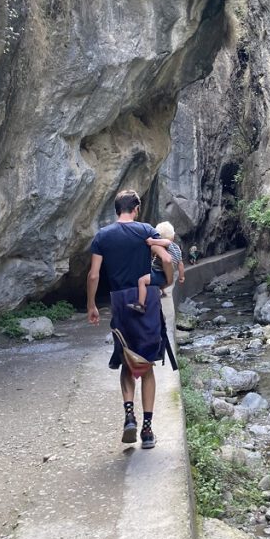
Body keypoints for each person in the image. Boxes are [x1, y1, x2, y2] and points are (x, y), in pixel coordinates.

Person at [87, 189, 173, 446]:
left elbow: (94, 275)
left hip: (120, 301)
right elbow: (167, 257)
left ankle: (129, 417)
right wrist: (166, 280)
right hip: (146, 303)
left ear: (116, 209)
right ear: (135, 209)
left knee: (127, 359)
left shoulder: (102, 236)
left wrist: (91, 304)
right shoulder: (146, 230)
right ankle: (147, 431)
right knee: (146, 365)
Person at [129, 221, 185, 312]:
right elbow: (180, 264)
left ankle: (141, 304)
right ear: (173, 236)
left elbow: (166, 242)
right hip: (166, 275)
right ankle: (161, 291)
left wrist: (152, 241)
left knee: (141, 280)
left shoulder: (165, 245)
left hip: (159, 273)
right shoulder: (177, 249)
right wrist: (181, 276)